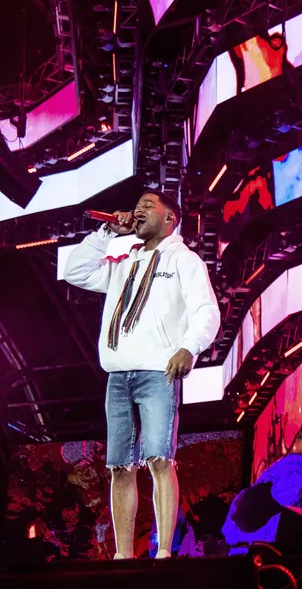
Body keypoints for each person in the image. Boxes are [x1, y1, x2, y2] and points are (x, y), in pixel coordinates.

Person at [64, 191, 221, 559]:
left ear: (170, 219)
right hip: (118, 377)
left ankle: (163, 551)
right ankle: (123, 556)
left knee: (159, 459)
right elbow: (74, 271)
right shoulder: (123, 261)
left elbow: (206, 310)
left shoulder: (184, 260)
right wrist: (106, 232)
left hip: (157, 372)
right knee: (120, 466)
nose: (138, 210)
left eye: (148, 206)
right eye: (137, 206)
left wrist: (190, 345)